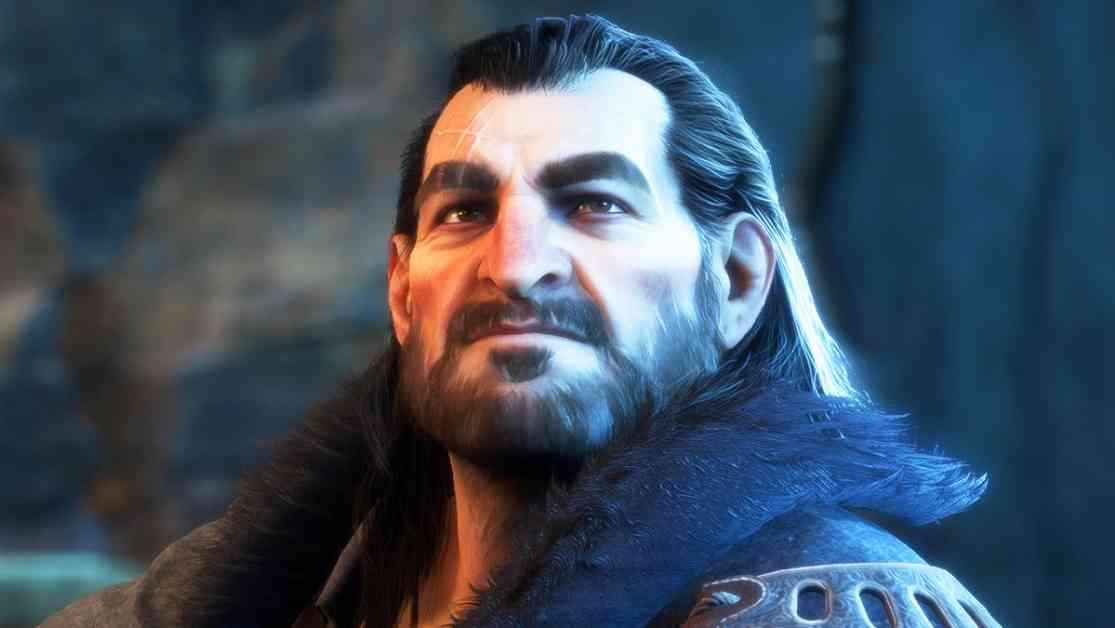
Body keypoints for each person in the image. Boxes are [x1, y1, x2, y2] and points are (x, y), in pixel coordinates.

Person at [43, 15, 1001, 628]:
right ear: (402, 290)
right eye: (464, 211)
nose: (512, 263)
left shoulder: (822, 601)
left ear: (737, 280)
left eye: (593, 204)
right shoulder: (296, 581)